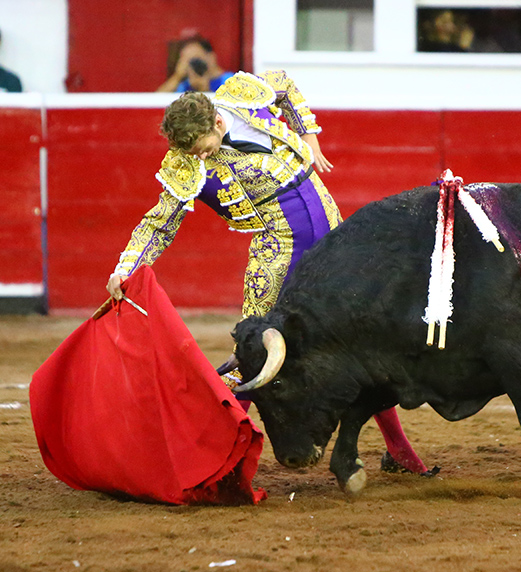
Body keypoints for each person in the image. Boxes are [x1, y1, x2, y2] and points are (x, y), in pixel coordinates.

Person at [107, 70, 431, 475]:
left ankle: (400, 451)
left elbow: (284, 85)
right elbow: (159, 224)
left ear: (218, 122)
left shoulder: (242, 95)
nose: (200, 159)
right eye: (193, 154)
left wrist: (309, 134)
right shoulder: (185, 165)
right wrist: (126, 268)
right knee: (253, 352)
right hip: (279, 251)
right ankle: (213, 459)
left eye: (204, 148)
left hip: (333, 232)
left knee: (362, 339)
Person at [157, 35, 234, 93]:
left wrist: (204, 90)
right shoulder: (186, 84)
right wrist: (177, 76)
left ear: (211, 57)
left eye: (196, 58)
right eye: (188, 60)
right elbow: (157, 101)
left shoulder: (230, 81)